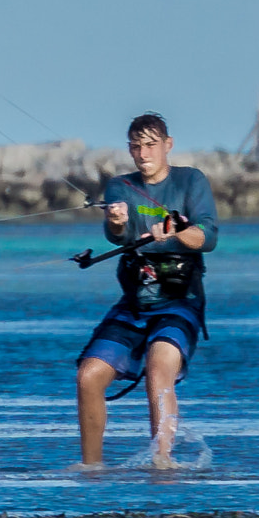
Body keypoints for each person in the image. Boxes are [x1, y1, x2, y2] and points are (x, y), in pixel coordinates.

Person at [75, 113, 218, 468]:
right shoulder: (119, 186)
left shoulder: (191, 181)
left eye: (151, 144)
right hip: (136, 301)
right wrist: (116, 221)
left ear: (167, 145)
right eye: (136, 146)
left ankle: (163, 461)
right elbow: (116, 237)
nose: (143, 153)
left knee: (158, 367)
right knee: (88, 375)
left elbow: (207, 238)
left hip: (179, 299)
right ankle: (91, 468)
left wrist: (176, 231)